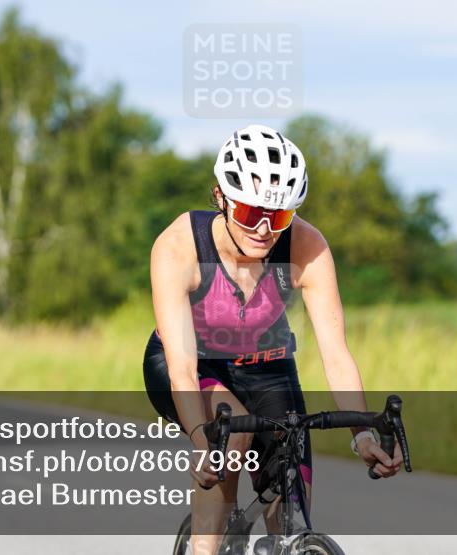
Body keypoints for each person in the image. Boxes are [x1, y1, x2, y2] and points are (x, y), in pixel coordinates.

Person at [143, 124, 402, 554]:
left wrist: (363, 434)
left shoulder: (307, 246)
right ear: (221, 198)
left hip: (266, 362)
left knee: (290, 487)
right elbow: (182, 368)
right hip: (193, 363)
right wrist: (199, 440)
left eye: (279, 216)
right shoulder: (178, 247)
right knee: (231, 438)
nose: (264, 229)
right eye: (250, 213)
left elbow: (336, 355)